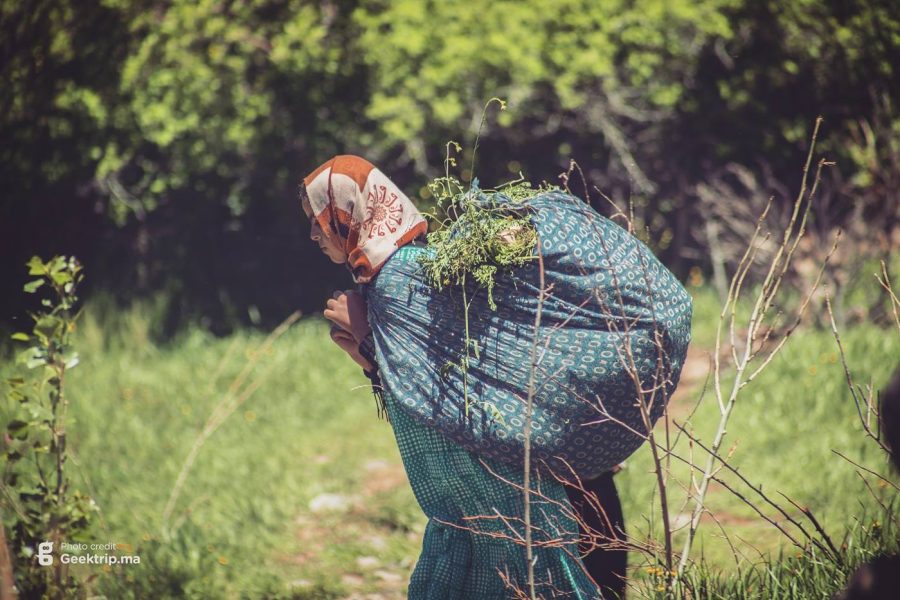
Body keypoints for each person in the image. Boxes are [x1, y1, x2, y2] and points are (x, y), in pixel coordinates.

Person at [301, 154, 628, 598]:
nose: (314, 234)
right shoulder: (413, 267)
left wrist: (366, 342)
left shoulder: (395, 281)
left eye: (318, 219)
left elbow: (441, 395)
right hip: (525, 474)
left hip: (504, 488)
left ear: (344, 212)